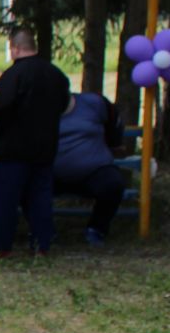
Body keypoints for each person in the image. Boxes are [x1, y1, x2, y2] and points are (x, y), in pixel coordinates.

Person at [0, 28, 70, 257]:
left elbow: (2, 109)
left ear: (14, 48)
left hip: (13, 148)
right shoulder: (56, 74)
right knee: (41, 198)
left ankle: (2, 245)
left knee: (5, 199)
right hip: (45, 147)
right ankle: (42, 244)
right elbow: (64, 105)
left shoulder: (12, 76)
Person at [54, 86, 127, 245]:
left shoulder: (93, 103)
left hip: (94, 170)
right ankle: (43, 229)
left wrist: (114, 143)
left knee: (113, 184)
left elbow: (114, 123)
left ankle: (97, 229)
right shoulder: (35, 109)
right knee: (23, 181)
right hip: (49, 173)